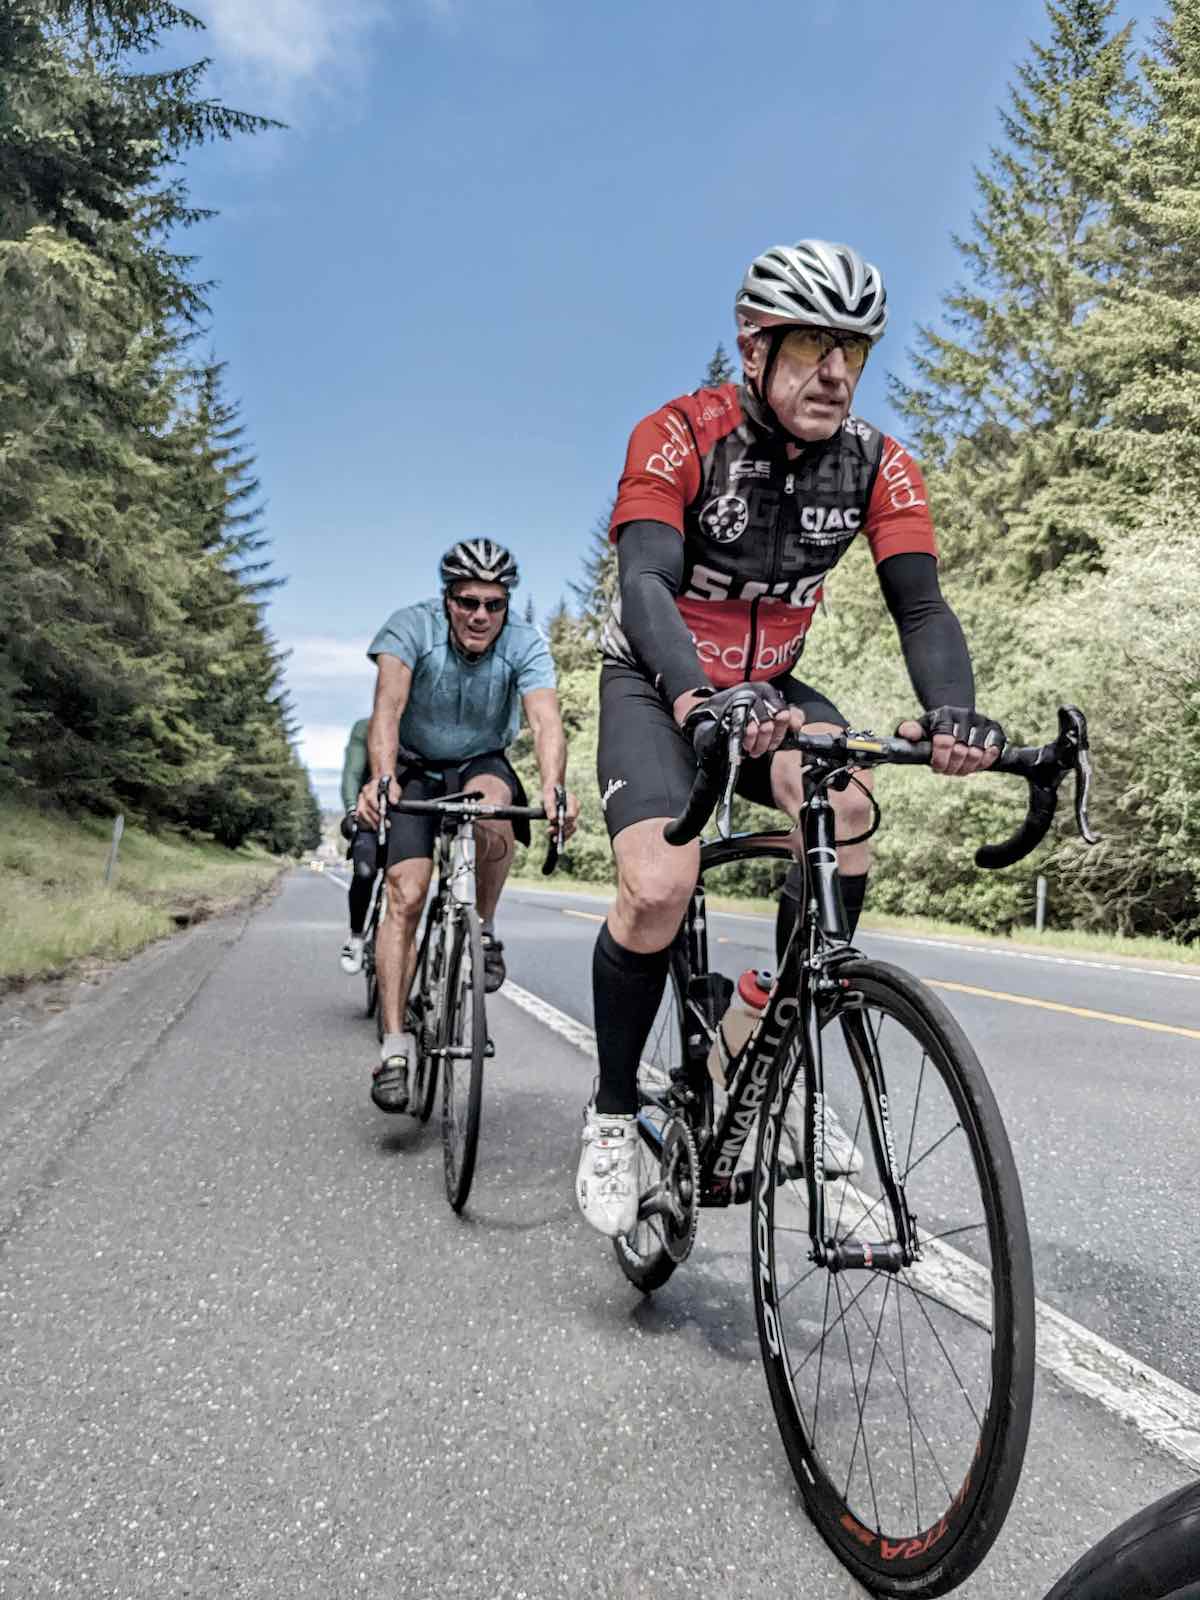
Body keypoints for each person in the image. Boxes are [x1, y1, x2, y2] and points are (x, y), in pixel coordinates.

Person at [576, 239, 1005, 1237]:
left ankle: (777, 1020)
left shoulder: (879, 463)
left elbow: (923, 610)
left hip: (769, 685)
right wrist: (692, 705)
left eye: (853, 347)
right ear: (754, 345)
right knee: (657, 886)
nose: (837, 371)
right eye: (812, 344)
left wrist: (953, 710)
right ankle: (608, 1116)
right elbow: (645, 586)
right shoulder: (681, 434)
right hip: (657, 678)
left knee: (847, 809)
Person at [355, 539, 579, 1114]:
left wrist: (554, 787)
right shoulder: (411, 628)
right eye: (467, 601)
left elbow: (545, 720)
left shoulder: (524, 644)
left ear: (507, 606)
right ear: (447, 599)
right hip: (414, 764)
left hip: (480, 760)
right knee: (405, 894)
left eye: (495, 604)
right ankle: (396, 1045)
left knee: (495, 809)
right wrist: (383, 779)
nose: (481, 615)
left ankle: (483, 927)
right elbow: (387, 706)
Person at [337, 717, 376, 975]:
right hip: (370, 813)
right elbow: (352, 773)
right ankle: (356, 935)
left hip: (412, 814)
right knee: (364, 871)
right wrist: (352, 810)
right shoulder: (366, 727)